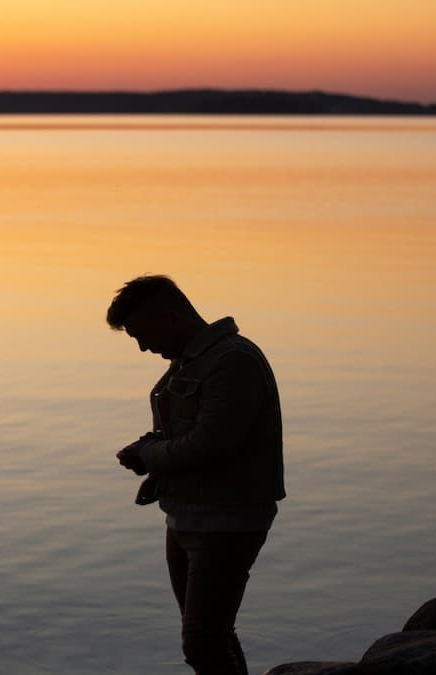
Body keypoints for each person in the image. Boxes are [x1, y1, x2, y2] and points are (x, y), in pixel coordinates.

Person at [107, 274, 285, 675]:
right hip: (187, 515)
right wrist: (148, 452)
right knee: (212, 635)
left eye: (143, 334)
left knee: (202, 642)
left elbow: (213, 442)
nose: (143, 347)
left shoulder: (232, 360)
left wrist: (150, 455)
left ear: (171, 318)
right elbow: (193, 436)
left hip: (227, 520)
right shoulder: (192, 362)